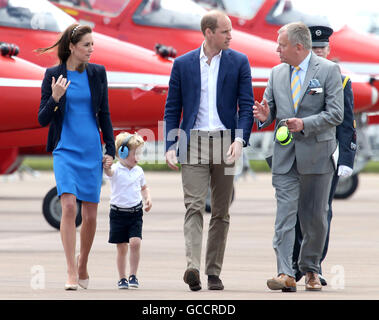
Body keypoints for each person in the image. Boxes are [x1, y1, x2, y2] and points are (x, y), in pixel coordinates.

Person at [164, 10, 254, 291]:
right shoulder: (182, 64)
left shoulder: (239, 62)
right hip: (193, 143)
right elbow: (172, 107)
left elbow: (246, 106)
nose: (231, 35)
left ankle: (213, 271)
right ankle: (193, 267)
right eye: (225, 31)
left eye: (230, 31)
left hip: (226, 142)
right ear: (208, 32)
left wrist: (240, 140)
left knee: (221, 211)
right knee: (193, 206)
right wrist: (169, 145)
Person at [253, 22, 344, 292]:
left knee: (315, 217)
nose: (276, 49)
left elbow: (336, 114)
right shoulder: (276, 73)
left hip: (317, 155)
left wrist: (305, 124)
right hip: (285, 157)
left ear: (298, 47)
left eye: (281, 45)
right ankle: (284, 272)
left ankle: (311, 268)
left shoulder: (328, 70)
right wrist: (264, 116)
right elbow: (270, 108)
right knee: (284, 216)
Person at [37, 24, 115, 290]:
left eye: (93, 45)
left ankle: (83, 264)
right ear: (72, 47)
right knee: (69, 207)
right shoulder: (52, 75)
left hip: (91, 150)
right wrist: (55, 97)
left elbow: (104, 114)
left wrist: (111, 150)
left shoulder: (97, 73)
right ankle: (71, 270)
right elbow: (42, 119)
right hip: (65, 150)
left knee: (91, 216)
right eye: (86, 45)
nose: (91, 50)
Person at [292, 25, 357, 286]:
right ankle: (293, 265)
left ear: (329, 50)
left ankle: (314, 266)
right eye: (314, 47)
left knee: (320, 213)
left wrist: (346, 160)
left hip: (325, 157)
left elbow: (347, 123)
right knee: (294, 212)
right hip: (296, 155)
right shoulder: (294, 77)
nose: (318, 51)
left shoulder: (340, 80)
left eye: (322, 48)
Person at [103, 132, 152, 289]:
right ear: (122, 152)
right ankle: (122, 278)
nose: (137, 158)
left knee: (135, 243)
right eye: (134, 154)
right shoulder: (116, 169)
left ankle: (133, 275)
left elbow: (144, 188)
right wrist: (106, 166)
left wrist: (148, 198)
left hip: (135, 213)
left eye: (139, 153)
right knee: (122, 247)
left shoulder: (139, 171)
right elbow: (109, 173)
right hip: (118, 213)